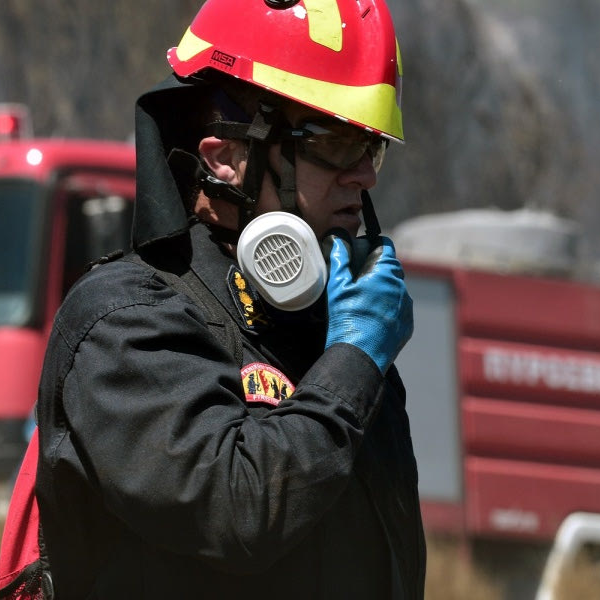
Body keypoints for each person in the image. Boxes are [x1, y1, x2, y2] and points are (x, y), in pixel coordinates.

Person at [34, 0, 426, 597]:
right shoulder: (124, 325)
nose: (365, 177)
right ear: (227, 157)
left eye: (369, 148)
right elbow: (241, 513)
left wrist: (349, 360)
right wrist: (352, 363)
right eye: (337, 144)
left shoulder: (329, 336)